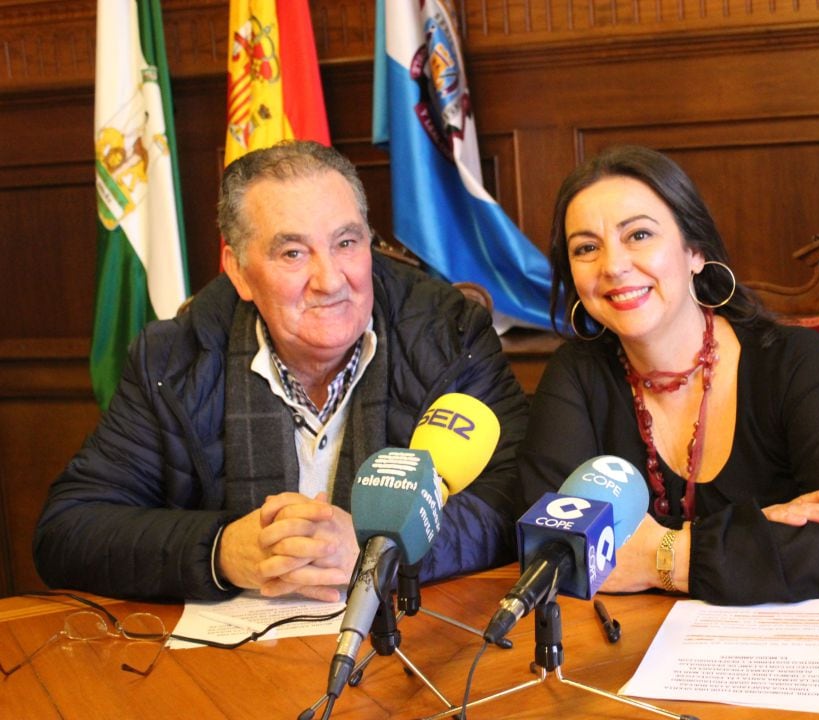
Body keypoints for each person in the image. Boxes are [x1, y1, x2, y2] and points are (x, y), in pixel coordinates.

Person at [34, 141, 529, 602]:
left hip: (406, 637)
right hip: (233, 653)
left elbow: (519, 498)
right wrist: (220, 551)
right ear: (238, 270)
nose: (329, 280)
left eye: (346, 243)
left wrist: (380, 552)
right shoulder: (174, 360)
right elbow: (67, 530)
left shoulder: (450, 336)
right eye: (293, 253)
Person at [519, 145, 819, 604]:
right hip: (653, 640)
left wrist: (658, 557)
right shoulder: (574, 376)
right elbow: (554, 548)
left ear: (695, 251)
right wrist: (755, 537)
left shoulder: (794, 362)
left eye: (639, 235)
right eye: (587, 248)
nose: (612, 266)